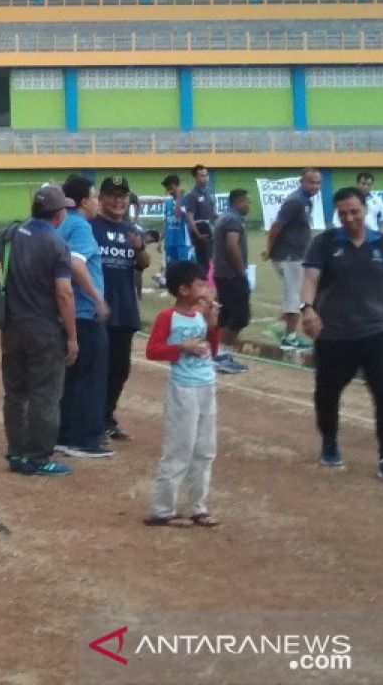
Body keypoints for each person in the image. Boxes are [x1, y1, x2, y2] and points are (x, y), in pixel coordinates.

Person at [301, 187, 383, 484]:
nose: (349, 218)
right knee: (327, 394)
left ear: (365, 210)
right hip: (334, 337)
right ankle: (330, 442)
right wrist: (307, 309)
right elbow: (310, 278)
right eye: (343, 213)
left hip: (379, 335)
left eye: (355, 211)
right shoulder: (324, 243)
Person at [0, 185, 78, 477]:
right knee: (45, 395)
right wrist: (72, 337)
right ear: (59, 215)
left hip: (11, 326)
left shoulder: (11, 234)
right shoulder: (57, 245)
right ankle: (39, 457)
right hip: (44, 329)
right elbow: (64, 295)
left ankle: (17, 453)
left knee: (15, 393)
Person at [144, 260, 221, 528]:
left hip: (205, 383)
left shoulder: (202, 313)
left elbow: (212, 346)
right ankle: (162, 508)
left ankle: (198, 506)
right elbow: (152, 350)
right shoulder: (168, 316)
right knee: (180, 447)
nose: (205, 289)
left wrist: (212, 325)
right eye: (200, 284)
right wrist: (181, 348)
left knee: (205, 448)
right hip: (183, 387)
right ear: (184, 289)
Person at [54, 175, 115, 459]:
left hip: (64, 313)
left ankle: (64, 434)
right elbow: (77, 265)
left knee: (71, 376)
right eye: (93, 196)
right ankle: (83, 438)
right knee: (91, 376)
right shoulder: (80, 227)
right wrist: (98, 298)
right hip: (84, 313)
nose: (96, 201)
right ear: (82, 202)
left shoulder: (60, 225)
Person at [91, 177, 150, 442]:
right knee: (94, 369)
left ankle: (106, 417)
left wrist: (138, 248)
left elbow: (143, 264)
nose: (118, 201)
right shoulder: (90, 228)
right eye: (113, 196)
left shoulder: (132, 230)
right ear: (101, 199)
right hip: (96, 310)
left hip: (124, 309)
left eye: (123, 196)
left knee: (119, 369)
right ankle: (90, 420)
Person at [264, 168, 321, 351]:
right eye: (311, 182)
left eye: (318, 183)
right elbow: (276, 226)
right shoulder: (295, 201)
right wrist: (269, 250)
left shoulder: (305, 201)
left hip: (297, 255)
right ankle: (290, 338)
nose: (315, 186)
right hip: (289, 257)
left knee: (297, 293)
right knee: (295, 298)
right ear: (301, 182)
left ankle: (278, 327)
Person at [210, 189, 251, 374]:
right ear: (238, 201)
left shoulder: (224, 217)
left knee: (226, 315)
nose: (249, 206)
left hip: (222, 273)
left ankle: (220, 354)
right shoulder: (232, 220)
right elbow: (232, 244)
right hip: (231, 275)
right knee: (240, 316)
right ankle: (221, 355)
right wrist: (241, 272)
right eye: (247, 202)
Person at [182, 164, 218, 271]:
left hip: (210, 230)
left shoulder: (208, 194)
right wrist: (198, 235)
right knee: (202, 261)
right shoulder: (192, 196)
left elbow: (213, 214)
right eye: (202, 176)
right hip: (199, 231)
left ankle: (205, 283)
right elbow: (189, 217)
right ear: (195, 178)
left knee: (210, 259)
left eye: (206, 175)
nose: (206, 178)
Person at [161, 174, 195, 267]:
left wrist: (179, 196)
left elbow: (177, 214)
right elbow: (166, 222)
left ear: (178, 185)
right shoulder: (168, 203)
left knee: (185, 270)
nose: (170, 191)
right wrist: (161, 240)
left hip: (182, 243)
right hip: (170, 243)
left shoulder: (187, 200)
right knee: (171, 270)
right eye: (168, 189)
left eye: (171, 188)